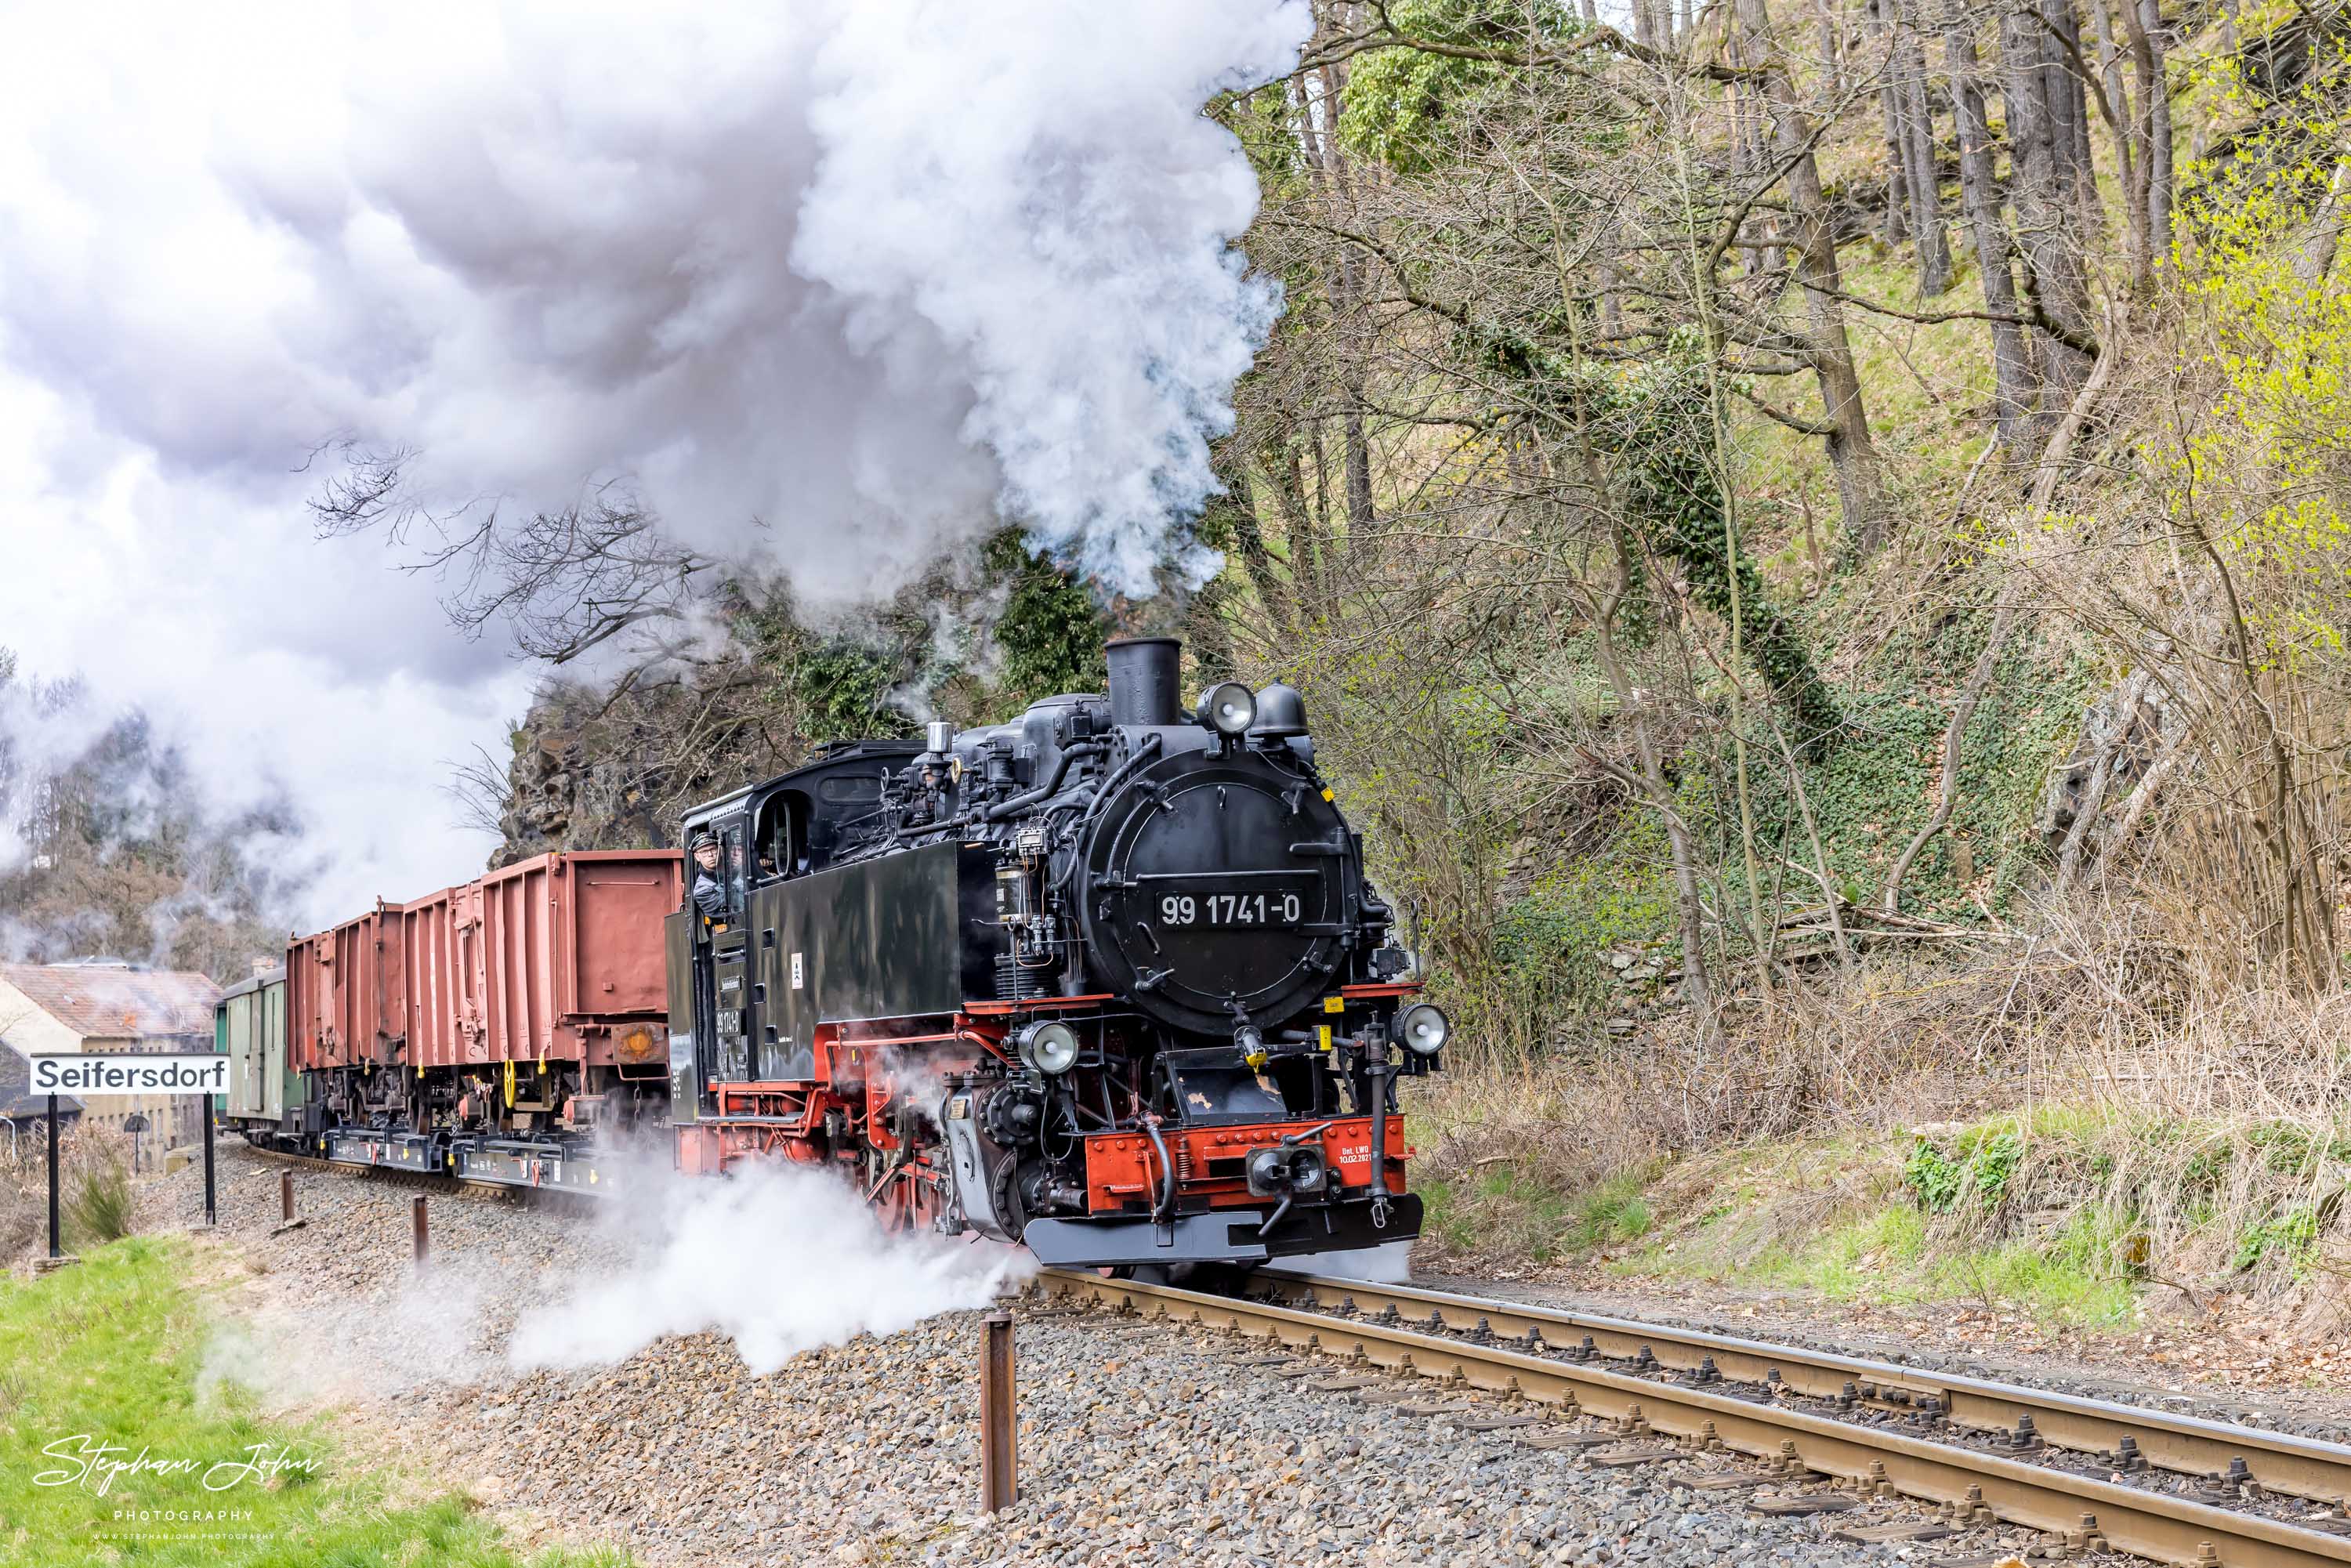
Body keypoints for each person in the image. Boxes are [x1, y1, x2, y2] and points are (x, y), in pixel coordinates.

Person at [690, 833, 727, 921]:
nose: (710, 855)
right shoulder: (701, 890)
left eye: (713, 849)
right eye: (704, 852)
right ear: (697, 856)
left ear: (720, 850)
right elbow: (732, 909)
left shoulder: (736, 870)